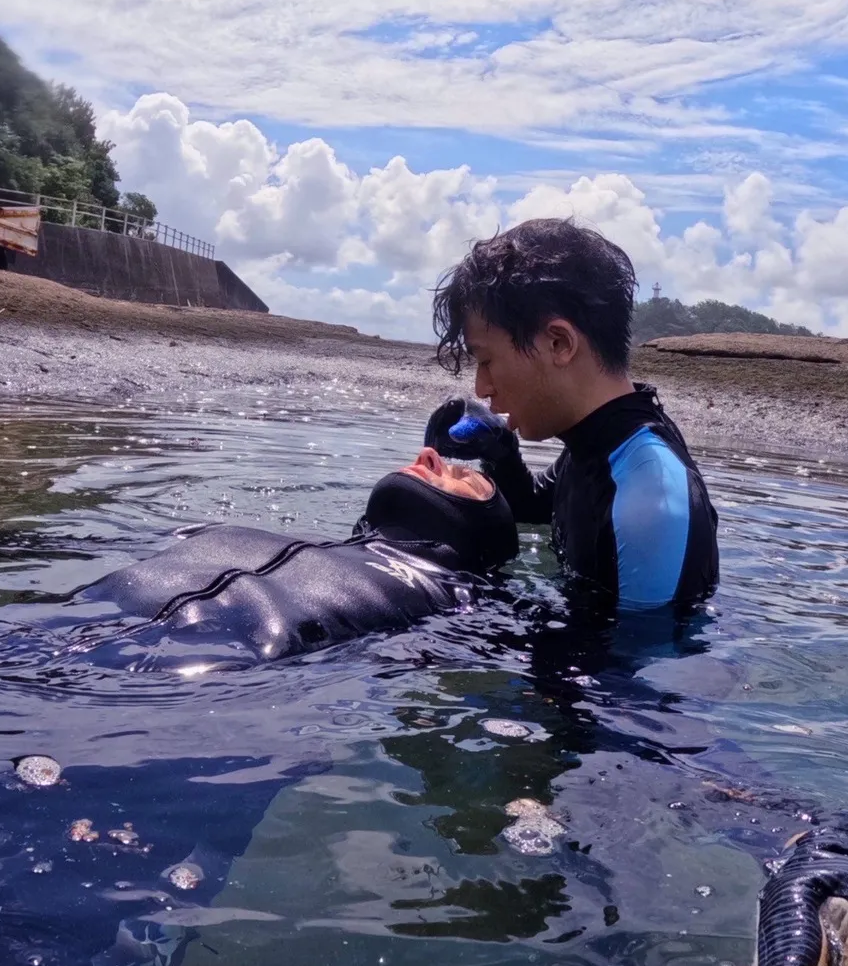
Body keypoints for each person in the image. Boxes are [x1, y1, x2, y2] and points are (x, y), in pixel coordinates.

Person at [425, 218, 718, 611]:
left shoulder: (650, 502)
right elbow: (539, 509)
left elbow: (632, 665)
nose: (481, 387)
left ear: (559, 343)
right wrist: (500, 450)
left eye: (487, 360)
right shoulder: (600, 443)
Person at [75, 447, 518, 668]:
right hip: (86, 612)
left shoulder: (455, 592)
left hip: (197, 672)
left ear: (479, 528)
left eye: (463, 475)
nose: (429, 455)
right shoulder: (301, 540)